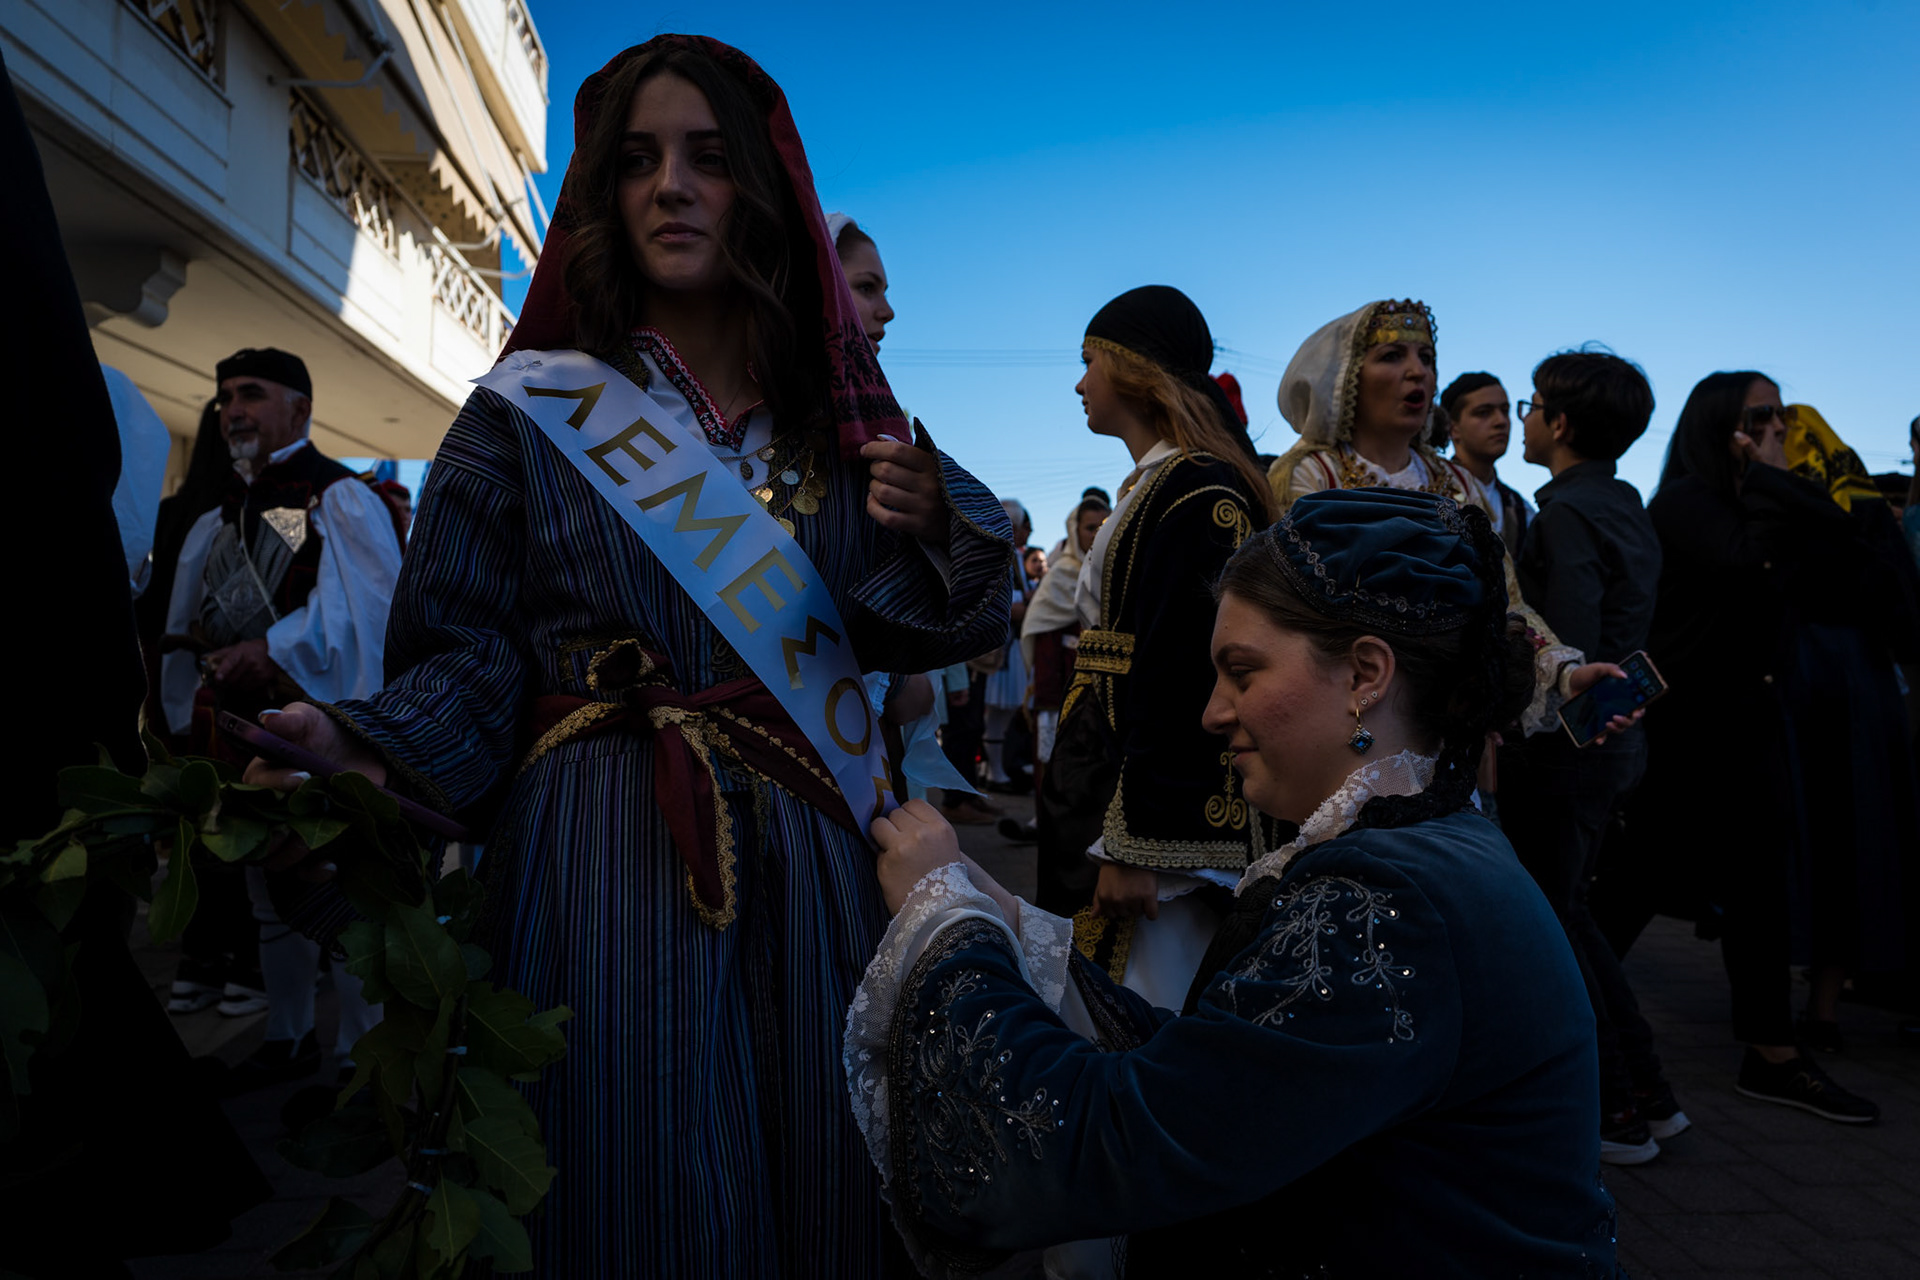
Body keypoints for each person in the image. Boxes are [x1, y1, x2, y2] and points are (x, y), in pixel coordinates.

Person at [242, 36, 1012, 1275]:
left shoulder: (841, 422)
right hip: (598, 842)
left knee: (821, 1156)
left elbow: (945, 621)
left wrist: (940, 519)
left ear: (762, 190)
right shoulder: (523, 413)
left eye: (708, 158)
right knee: (631, 1159)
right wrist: (359, 737)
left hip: (813, 845)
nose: (672, 187)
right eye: (639, 161)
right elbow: (465, 652)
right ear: (603, 193)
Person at [846, 489, 1622, 1278]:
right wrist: (1005, 916)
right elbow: (1226, 1074)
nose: (1213, 713)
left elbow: (1114, 1146)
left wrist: (948, 923)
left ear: (1365, 675)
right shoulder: (1431, 843)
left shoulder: (1389, 896)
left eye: (1241, 672)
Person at [1619, 372, 1916, 1124]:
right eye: (1761, 417)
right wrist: (1774, 482)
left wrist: (1777, 480)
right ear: (1720, 425)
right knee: (1634, 881)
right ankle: (1546, 1016)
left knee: (1760, 892)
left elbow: (1841, 540)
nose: (1779, 428)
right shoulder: (1687, 502)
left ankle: (1773, 1054)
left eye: (1780, 415)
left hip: (1751, 720)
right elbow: (1747, 560)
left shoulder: (1762, 497)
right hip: (1689, 726)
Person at [157, 347, 401, 1085]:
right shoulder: (220, 511)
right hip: (239, 727)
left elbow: (368, 617)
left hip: (325, 725)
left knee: (341, 884)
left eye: (253, 394)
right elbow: (186, 615)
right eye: (227, 396)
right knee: (266, 883)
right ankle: (288, 1036)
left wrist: (272, 648)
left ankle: (362, 1061)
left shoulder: (339, 497)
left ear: (300, 409)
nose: (234, 410)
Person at [1037, 285, 1270, 1011]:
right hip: (1101, 767)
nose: (1079, 383)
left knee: (1145, 1000)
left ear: (1131, 367)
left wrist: (1140, 844)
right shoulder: (1155, 484)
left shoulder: (1200, 488)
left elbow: (1185, 668)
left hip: (1144, 805)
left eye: (1088, 362)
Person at [1266, 299, 1618, 743]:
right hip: (1349, 710)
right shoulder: (1311, 475)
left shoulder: (1457, 483)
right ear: (1348, 376)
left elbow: (1504, 604)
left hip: (1450, 719)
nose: (1418, 372)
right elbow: (1297, 608)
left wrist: (1564, 673)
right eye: (1392, 356)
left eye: (1427, 358)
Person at [1496, 350, 1682, 1165]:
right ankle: (1651, 1094)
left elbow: (1566, 639)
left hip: (1572, 743)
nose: (1525, 419)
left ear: (1561, 423)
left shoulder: (1567, 514)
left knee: (1558, 920)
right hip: (1617, 741)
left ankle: (1615, 1110)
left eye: (1533, 404)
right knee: (1576, 913)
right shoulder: (1624, 503)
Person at [1441, 370, 1533, 548]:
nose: (1501, 421)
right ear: (1453, 428)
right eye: (1483, 413)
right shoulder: (1431, 486)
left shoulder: (1521, 509)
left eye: (1505, 411)